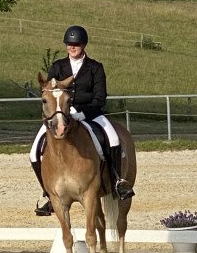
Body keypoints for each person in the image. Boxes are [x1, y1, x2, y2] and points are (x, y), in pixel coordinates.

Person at [29, 25, 135, 216]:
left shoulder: (95, 68)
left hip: (91, 113)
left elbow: (100, 98)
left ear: (83, 45)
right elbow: (50, 91)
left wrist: (83, 113)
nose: (72, 47)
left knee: (113, 139)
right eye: (69, 44)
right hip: (60, 115)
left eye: (76, 44)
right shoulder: (58, 67)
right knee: (33, 152)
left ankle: (118, 181)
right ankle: (48, 194)